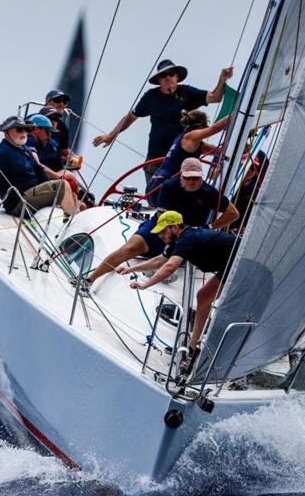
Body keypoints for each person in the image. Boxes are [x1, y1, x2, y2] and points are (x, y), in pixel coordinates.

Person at [84, 158, 238, 287]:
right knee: (130, 247)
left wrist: (210, 227)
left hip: (188, 234)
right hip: (163, 225)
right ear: (181, 175)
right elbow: (161, 216)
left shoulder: (209, 192)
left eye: (196, 178)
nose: (192, 181)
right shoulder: (169, 186)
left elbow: (233, 213)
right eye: (188, 178)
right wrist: (169, 241)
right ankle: (90, 279)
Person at [92, 59, 234, 182]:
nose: (167, 77)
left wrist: (222, 79)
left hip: (182, 160)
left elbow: (215, 97)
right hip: (155, 161)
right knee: (157, 199)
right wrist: (111, 135)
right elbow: (131, 116)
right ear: (158, 80)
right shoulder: (151, 97)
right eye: (163, 75)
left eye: (171, 73)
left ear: (177, 76)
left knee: (182, 198)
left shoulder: (187, 92)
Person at [117, 211, 238, 353]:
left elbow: (169, 267)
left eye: (163, 231)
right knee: (203, 297)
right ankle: (193, 347)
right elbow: (159, 261)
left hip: (241, 263)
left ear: (175, 227)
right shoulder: (180, 240)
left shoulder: (187, 238)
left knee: (213, 300)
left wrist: (145, 284)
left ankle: (216, 348)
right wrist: (130, 269)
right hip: (231, 265)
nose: (160, 236)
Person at [0, 115, 80, 216]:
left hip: (32, 195)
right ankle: (75, 220)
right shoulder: (1, 152)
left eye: (26, 129)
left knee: (65, 184)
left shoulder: (24, 149)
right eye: (19, 129)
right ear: (6, 132)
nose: (23, 133)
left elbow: (40, 170)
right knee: (62, 185)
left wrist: (51, 187)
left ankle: (74, 216)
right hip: (19, 203)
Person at [145, 110, 231, 205]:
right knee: (206, 195)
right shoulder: (190, 137)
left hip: (156, 188)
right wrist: (236, 114)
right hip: (161, 188)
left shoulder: (192, 141)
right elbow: (216, 128)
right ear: (200, 126)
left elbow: (220, 151)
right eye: (205, 126)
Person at [230, 150, 269, 233]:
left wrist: (246, 228)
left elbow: (258, 216)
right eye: (245, 166)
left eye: (251, 168)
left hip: (235, 231)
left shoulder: (255, 193)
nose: (247, 170)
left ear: (255, 172)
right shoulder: (229, 183)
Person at [44, 89, 73, 160]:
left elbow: (65, 151)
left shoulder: (63, 127)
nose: (61, 104)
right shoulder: (35, 120)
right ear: (47, 102)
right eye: (58, 100)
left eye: (64, 102)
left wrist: (72, 158)